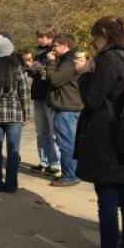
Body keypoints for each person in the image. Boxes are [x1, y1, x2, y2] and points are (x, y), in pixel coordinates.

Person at [75, 16, 124, 248]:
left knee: (107, 202)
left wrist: (85, 76)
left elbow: (93, 99)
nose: (94, 43)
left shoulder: (108, 60)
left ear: (104, 34)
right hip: (122, 139)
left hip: (107, 139)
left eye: (95, 38)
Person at [0, 35, 30, 193]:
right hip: (15, 115)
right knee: (13, 151)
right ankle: (11, 185)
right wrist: (26, 114)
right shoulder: (17, 68)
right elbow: (24, 93)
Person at [45, 33, 83, 187]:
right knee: (69, 142)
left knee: (66, 143)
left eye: (55, 46)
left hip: (67, 107)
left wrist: (51, 63)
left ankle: (70, 176)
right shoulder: (68, 59)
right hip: (68, 106)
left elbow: (55, 80)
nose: (53, 49)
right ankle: (73, 173)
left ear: (64, 45)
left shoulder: (69, 61)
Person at [27, 27, 61, 177]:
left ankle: (56, 163)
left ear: (50, 37)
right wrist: (29, 66)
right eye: (39, 36)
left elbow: (54, 72)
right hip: (38, 94)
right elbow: (34, 73)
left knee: (53, 132)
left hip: (50, 95)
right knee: (41, 131)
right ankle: (44, 161)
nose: (39, 39)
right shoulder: (39, 51)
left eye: (42, 36)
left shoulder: (56, 51)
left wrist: (37, 67)